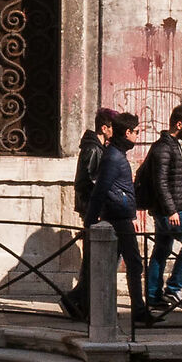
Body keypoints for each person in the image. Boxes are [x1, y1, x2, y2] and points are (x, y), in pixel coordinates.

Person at [89, 112, 161, 328]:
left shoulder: (116, 155)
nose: (138, 135)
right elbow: (101, 189)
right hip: (118, 220)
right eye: (137, 132)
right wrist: (92, 221)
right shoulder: (114, 158)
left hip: (121, 217)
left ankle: (89, 305)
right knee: (134, 264)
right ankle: (138, 311)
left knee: (113, 265)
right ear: (127, 132)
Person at [140, 104, 182, 312]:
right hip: (174, 211)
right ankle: (173, 288)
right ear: (179, 124)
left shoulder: (170, 144)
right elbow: (161, 182)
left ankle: (153, 297)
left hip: (170, 208)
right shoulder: (164, 148)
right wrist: (171, 210)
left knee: (161, 251)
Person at [61, 106, 115, 319]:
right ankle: (76, 300)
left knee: (92, 257)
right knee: (94, 257)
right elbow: (93, 182)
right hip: (92, 209)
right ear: (104, 128)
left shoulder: (97, 147)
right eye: (112, 128)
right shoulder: (93, 149)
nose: (115, 131)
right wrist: (100, 209)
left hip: (92, 208)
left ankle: (81, 302)